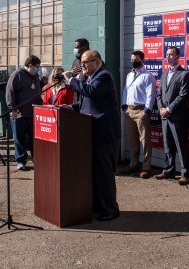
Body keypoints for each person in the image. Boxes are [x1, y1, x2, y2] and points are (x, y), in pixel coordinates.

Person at [63, 50, 121, 221]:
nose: (82, 66)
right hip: (92, 132)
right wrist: (68, 108)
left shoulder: (104, 76)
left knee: (104, 174)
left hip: (105, 134)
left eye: (86, 62)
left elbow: (92, 92)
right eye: (81, 62)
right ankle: (98, 205)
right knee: (95, 173)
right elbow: (83, 103)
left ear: (97, 62)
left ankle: (110, 209)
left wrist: (71, 80)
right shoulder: (89, 78)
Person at [155, 47, 189, 185]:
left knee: (181, 145)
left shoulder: (185, 74)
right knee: (168, 145)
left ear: (178, 56)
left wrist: (169, 109)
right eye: (166, 54)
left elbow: (182, 96)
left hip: (177, 116)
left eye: (171, 54)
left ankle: (185, 174)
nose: (168, 57)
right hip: (165, 116)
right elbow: (159, 94)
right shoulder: (164, 74)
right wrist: (161, 109)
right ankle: (168, 170)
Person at [119, 50, 156, 179]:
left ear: (142, 60)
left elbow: (151, 95)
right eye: (132, 60)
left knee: (145, 140)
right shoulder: (129, 75)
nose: (133, 62)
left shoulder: (147, 76)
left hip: (141, 111)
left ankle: (146, 167)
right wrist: (124, 105)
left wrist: (147, 111)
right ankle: (134, 164)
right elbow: (125, 90)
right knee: (132, 139)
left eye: (135, 60)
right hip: (129, 111)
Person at [6, 55, 42, 171]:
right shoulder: (17, 74)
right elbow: (10, 92)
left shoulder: (35, 76)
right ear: (30, 65)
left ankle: (37, 159)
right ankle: (21, 161)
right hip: (20, 113)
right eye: (36, 67)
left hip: (33, 113)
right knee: (19, 138)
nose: (38, 69)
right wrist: (13, 108)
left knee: (33, 138)